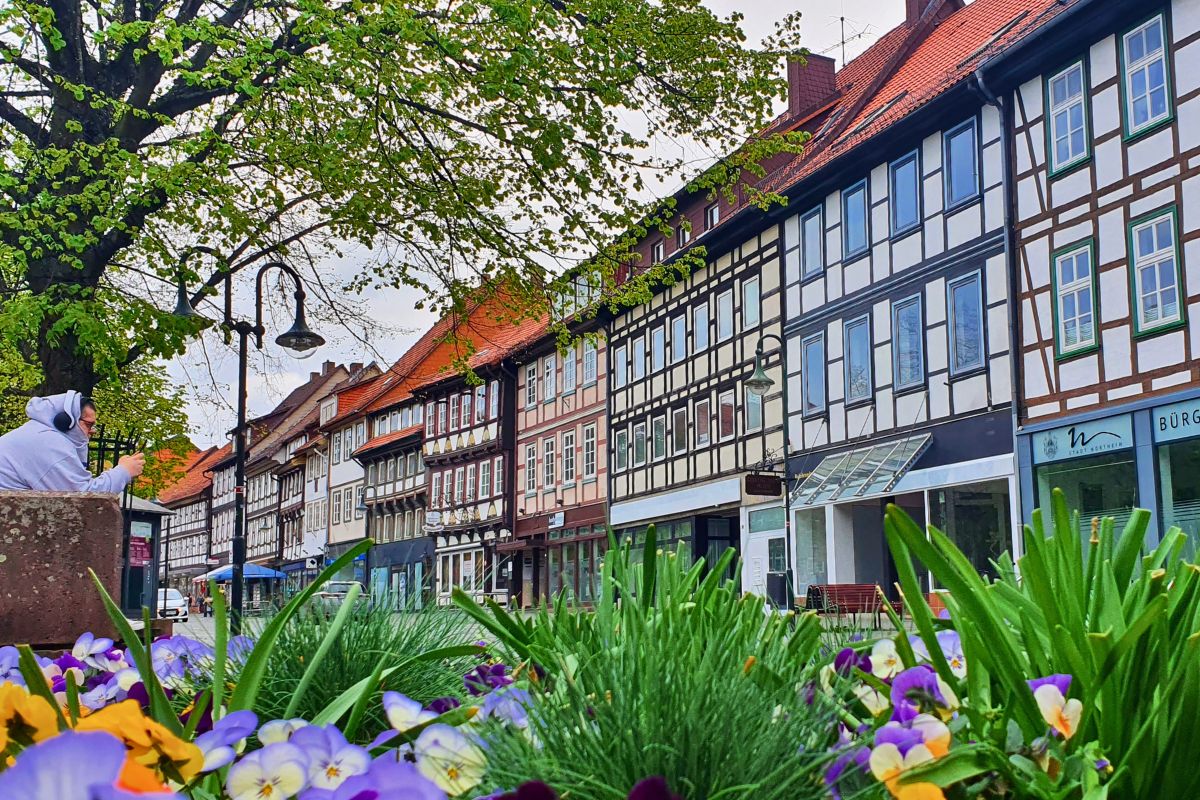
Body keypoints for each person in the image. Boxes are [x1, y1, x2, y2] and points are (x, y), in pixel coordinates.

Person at [0, 390, 144, 492]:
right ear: (66, 421)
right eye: (88, 424)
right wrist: (124, 471)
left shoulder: (37, 434)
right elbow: (84, 498)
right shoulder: (49, 443)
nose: (92, 431)